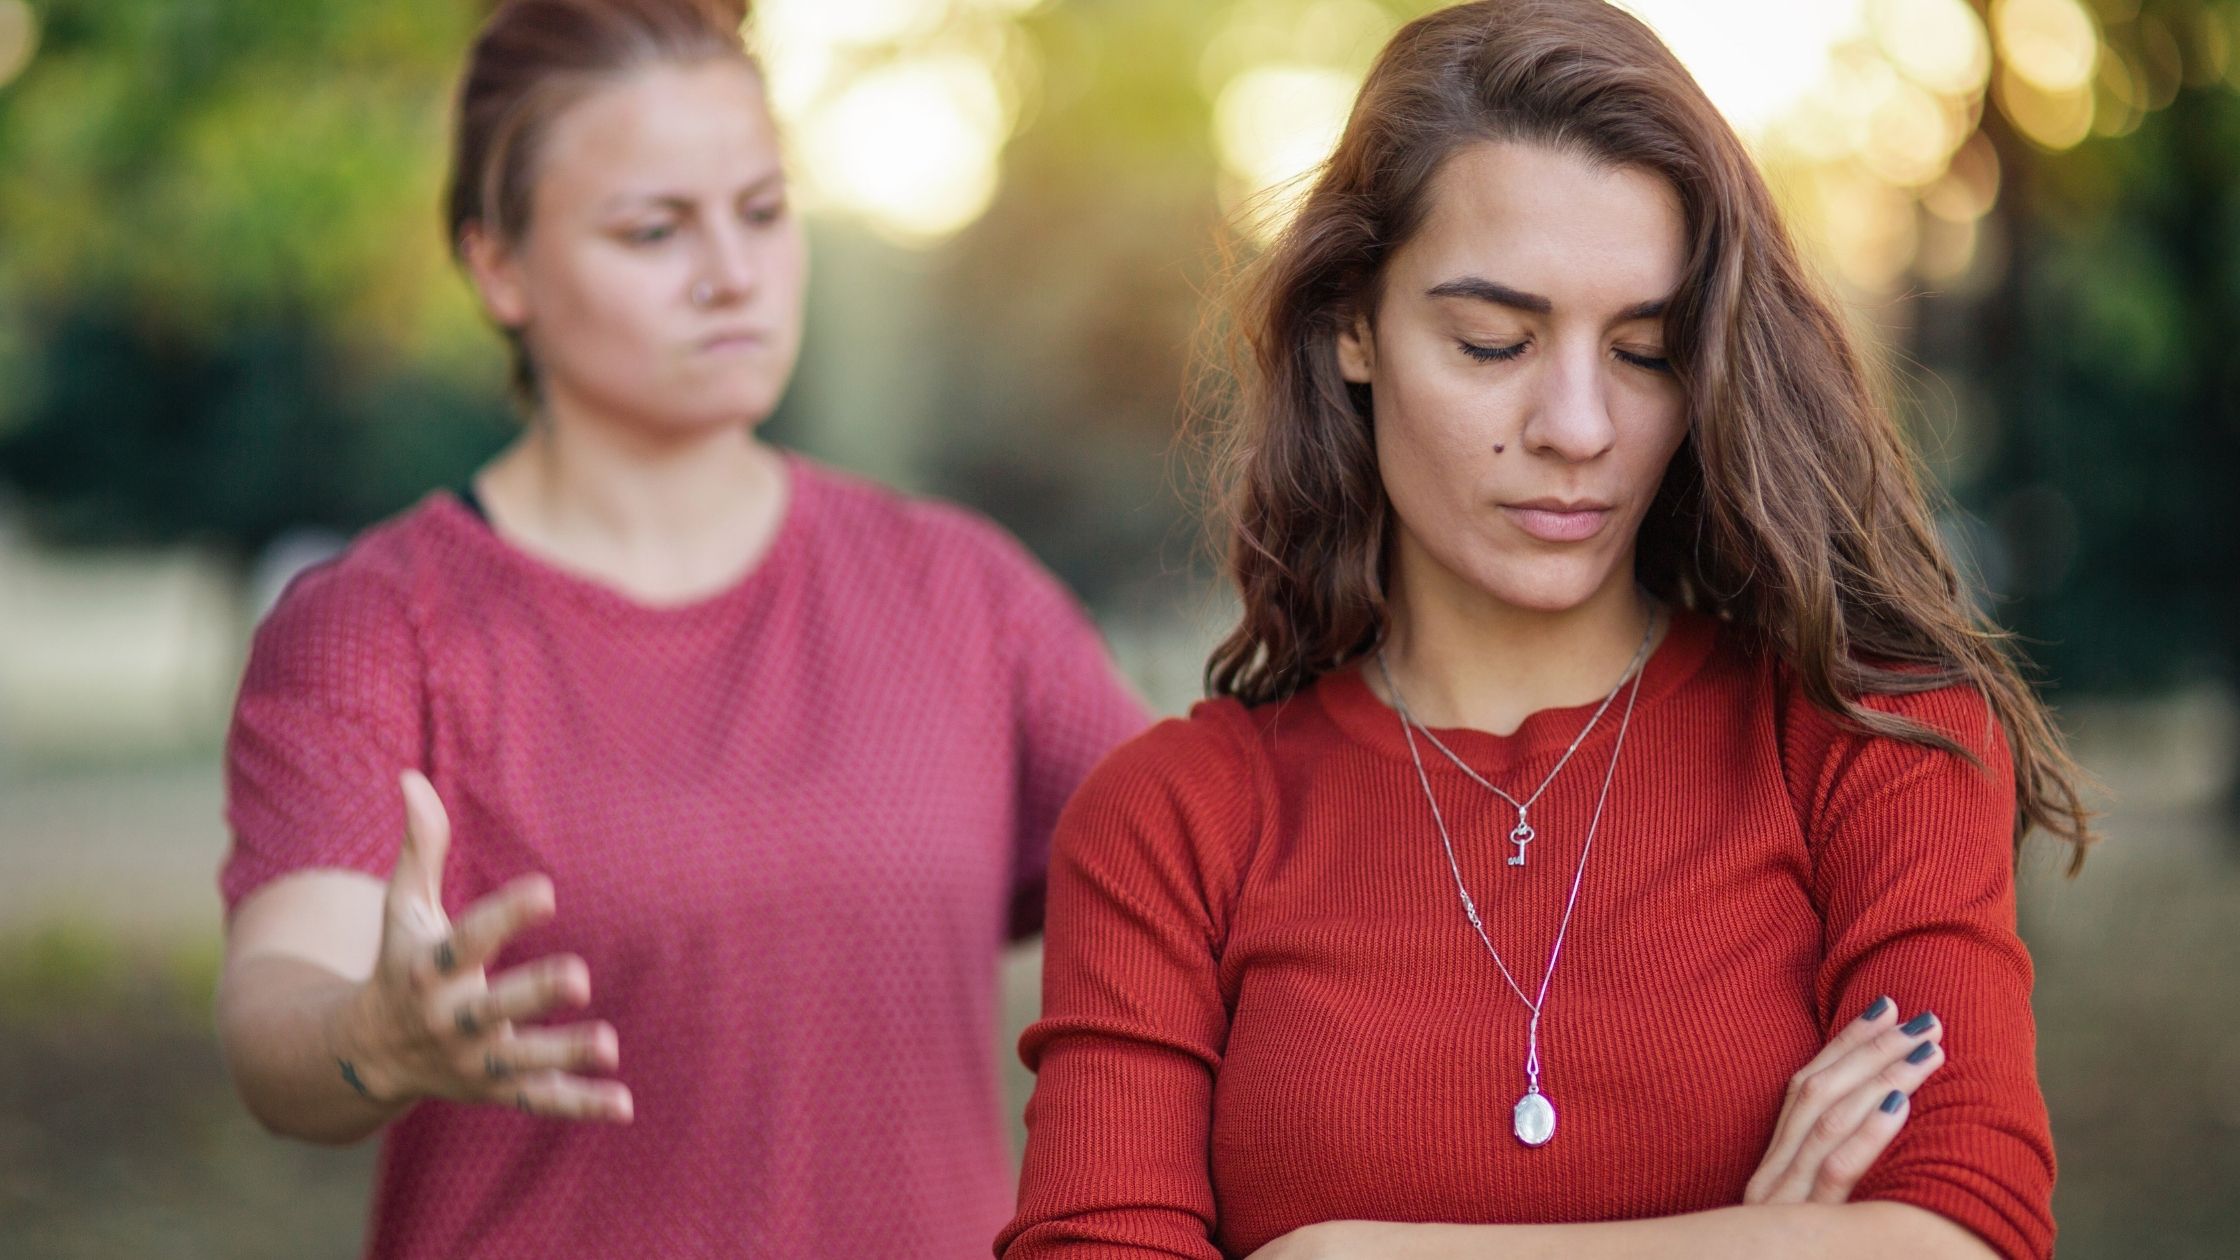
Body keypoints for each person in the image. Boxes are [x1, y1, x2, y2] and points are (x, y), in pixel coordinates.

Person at [999, 2, 2093, 1258]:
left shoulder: (1870, 740)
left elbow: (1964, 1234)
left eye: (1643, 350)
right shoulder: (1172, 825)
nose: (1576, 425)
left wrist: (1340, 1253)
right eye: (1492, 342)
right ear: (1352, 325)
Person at [211, 1, 1148, 1255]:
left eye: (761, 212)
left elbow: (1215, 874)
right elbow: (281, 1018)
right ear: (498, 266)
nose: (732, 272)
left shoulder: (964, 595)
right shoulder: (373, 631)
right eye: (655, 229)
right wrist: (370, 1039)